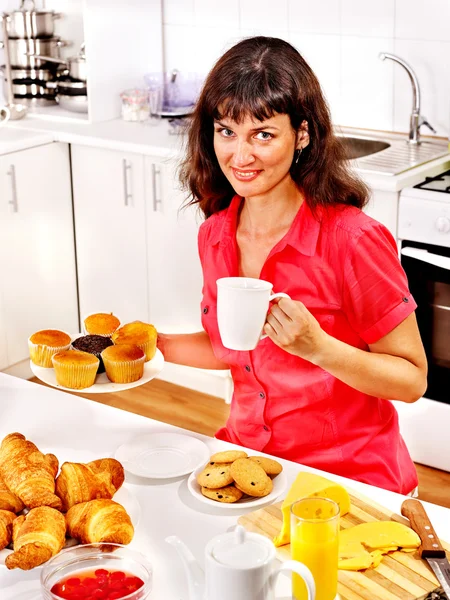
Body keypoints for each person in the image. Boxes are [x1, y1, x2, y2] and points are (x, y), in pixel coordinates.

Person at [157, 36, 427, 495]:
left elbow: (411, 379)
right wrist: (144, 345)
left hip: (350, 481)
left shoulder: (351, 240)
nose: (240, 157)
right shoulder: (216, 233)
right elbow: (230, 348)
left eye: (263, 134)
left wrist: (317, 347)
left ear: (302, 134)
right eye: (226, 131)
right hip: (251, 467)